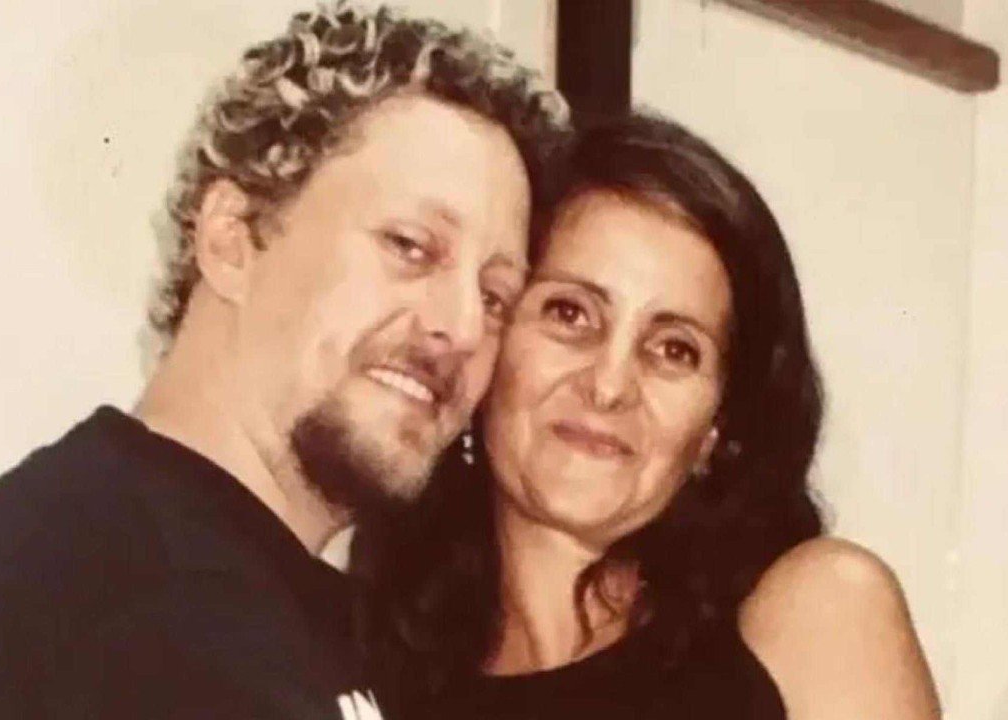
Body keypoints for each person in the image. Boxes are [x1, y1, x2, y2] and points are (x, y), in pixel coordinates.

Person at [0, 4, 568, 719]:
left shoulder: (149, 565)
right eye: (410, 246)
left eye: (496, 296)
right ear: (232, 240)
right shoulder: (144, 606)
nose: (462, 327)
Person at [353, 112, 942, 720]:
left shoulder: (815, 615)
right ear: (491, 338)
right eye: (570, 314)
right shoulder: (376, 675)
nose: (608, 386)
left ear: (717, 427)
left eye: (674, 349)